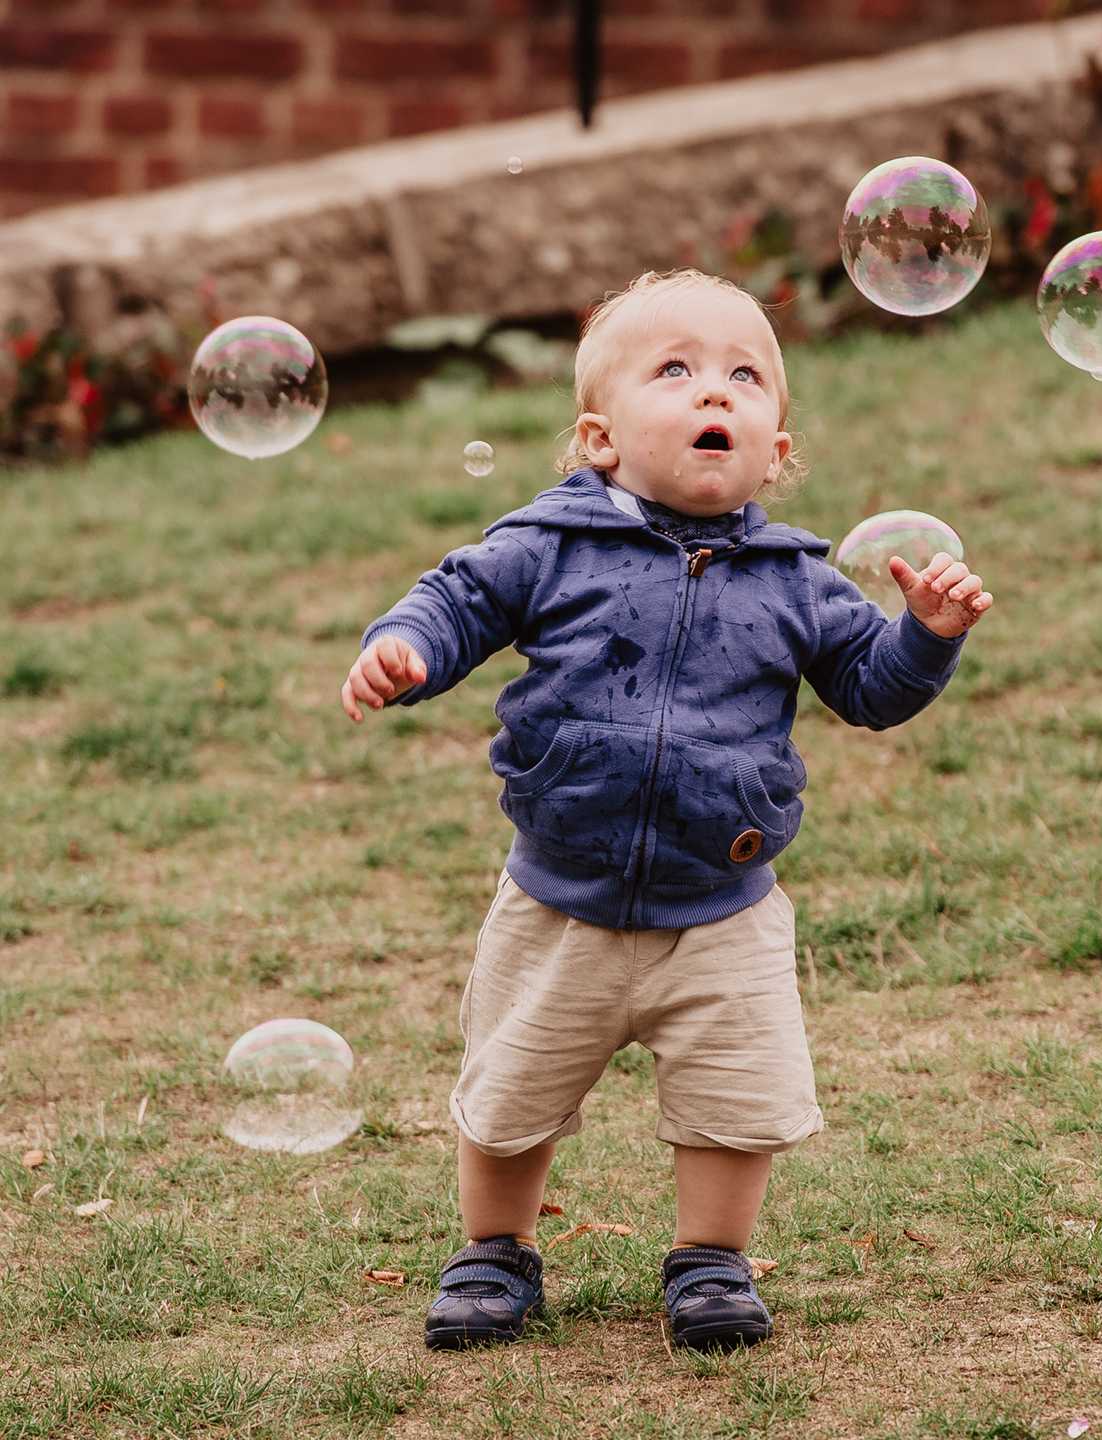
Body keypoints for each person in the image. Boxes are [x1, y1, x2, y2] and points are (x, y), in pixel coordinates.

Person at [340, 269, 994, 1353]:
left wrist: (923, 634)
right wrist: (403, 648)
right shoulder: (548, 545)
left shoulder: (799, 581)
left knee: (737, 1101)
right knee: (512, 1089)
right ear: (599, 437)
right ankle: (494, 1250)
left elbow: (871, 691)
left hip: (723, 906)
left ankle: (710, 1261)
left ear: (776, 451)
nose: (716, 394)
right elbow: (458, 597)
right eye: (677, 371)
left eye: (745, 376)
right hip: (559, 897)